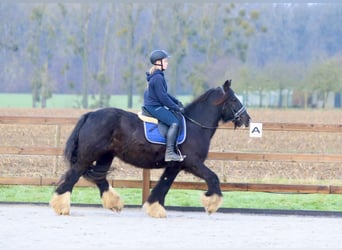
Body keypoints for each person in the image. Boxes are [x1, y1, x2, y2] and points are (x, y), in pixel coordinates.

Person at [143, 49, 185, 162]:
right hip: (154, 107)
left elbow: (164, 94)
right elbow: (163, 98)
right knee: (174, 122)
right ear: (158, 62)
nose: (167, 63)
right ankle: (170, 152)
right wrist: (176, 108)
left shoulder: (157, 76)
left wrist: (176, 102)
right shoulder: (158, 78)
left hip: (153, 105)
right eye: (165, 61)